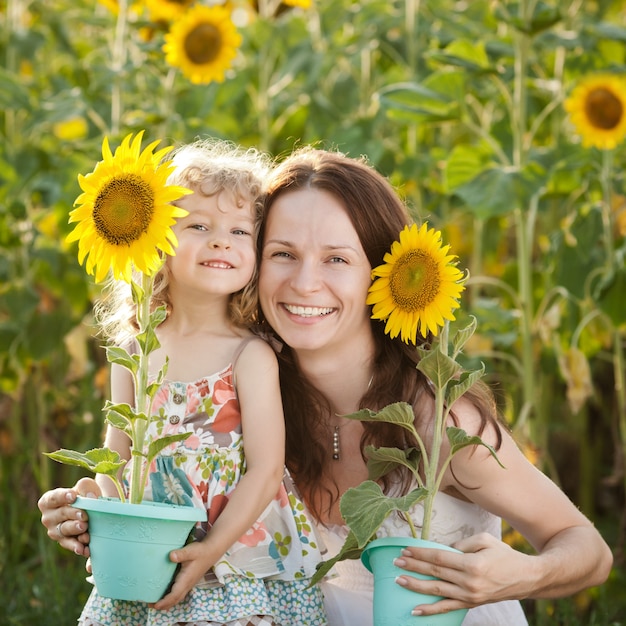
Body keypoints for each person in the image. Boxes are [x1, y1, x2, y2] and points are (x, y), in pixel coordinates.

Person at [40, 147, 613, 626]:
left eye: (337, 259)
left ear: (380, 275)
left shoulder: (437, 421)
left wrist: (521, 573)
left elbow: (586, 549)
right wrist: (98, 512)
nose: (305, 282)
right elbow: (158, 482)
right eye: (282, 253)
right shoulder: (246, 400)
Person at [45, 139, 327, 626]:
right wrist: (94, 503)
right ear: (155, 241)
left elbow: (265, 469)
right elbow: (120, 458)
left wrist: (212, 549)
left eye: (240, 230)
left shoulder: (249, 354)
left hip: (234, 562)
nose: (221, 241)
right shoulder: (134, 352)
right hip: (149, 557)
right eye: (199, 226)